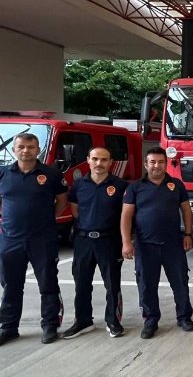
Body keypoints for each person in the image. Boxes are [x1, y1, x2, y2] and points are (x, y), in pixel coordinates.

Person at [0, 133, 67, 346]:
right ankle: (9, 327)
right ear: (14, 149)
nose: (25, 150)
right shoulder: (3, 173)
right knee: (11, 286)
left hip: (42, 239)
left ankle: (50, 326)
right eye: (21, 146)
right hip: (11, 240)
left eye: (30, 147)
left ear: (38, 149)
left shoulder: (51, 174)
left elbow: (62, 201)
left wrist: (46, 221)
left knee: (48, 284)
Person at [121, 147, 193, 339]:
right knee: (146, 285)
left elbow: (186, 210)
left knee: (180, 282)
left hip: (173, 245)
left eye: (160, 162)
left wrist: (188, 234)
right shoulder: (135, 187)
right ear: (146, 164)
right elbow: (126, 215)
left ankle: (184, 317)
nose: (157, 166)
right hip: (145, 245)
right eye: (152, 162)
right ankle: (151, 320)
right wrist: (126, 242)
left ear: (165, 163)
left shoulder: (176, 185)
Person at [62, 147, 128, 339]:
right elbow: (75, 211)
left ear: (111, 162)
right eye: (95, 159)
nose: (99, 163)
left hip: (110, 240)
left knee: (112, 284)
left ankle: (113, 321)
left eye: (104, 160)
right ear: (88, 160)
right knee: (81, 283)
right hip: (83, 240)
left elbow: (126, 215)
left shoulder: (121, 185)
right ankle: (83, 321)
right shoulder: (78, 185)